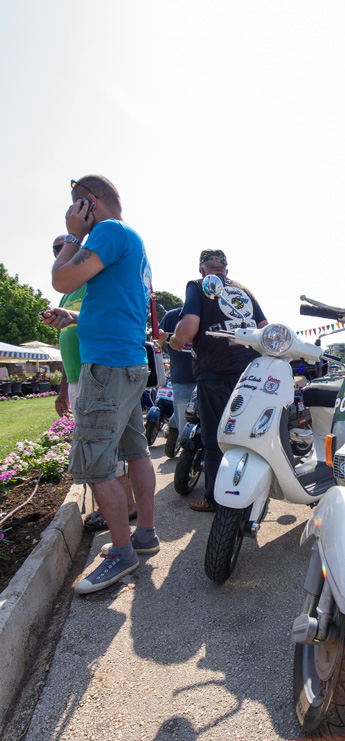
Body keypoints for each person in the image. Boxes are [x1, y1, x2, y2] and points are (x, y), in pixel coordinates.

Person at [51, 175, 158, 595]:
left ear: (87, 204)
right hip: (129, 361)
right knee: (136, 452)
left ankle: (120, 551)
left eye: (77, 208)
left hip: (107, 368)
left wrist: (72, 237)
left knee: (94, 464)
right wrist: (79, 319)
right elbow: (118, 304)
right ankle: (144, 533)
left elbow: (62, 280)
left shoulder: (108, 231)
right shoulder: (132, 239)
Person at [42, 236, 138, 532]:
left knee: (101, 451)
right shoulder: (67, 293)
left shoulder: (94, 279)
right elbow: (65, 347)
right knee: (103, 448)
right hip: (77, 374)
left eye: (68, 248)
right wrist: (62, 389)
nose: (62, 254)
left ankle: (123, 518)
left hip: (98, 371)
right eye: (57, 250)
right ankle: (116, 514)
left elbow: (107, 317)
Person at [169, 249, 267, 512]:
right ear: (226, 269)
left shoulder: (198, 285)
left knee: (216, 437)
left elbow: (188, 328)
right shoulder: (244, 290)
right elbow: (264, 327)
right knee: (246, 433)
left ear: (202, 269)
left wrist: (175, 341)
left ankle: (214, 499)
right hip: (249, 371)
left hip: (214, 372)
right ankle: (252, 495)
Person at [157, 306, 196, 436]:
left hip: (210, 378)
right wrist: (160, 338)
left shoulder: (211, 312)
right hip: (182, 379)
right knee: (184, 427)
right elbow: (157, 341)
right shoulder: (171, 316)